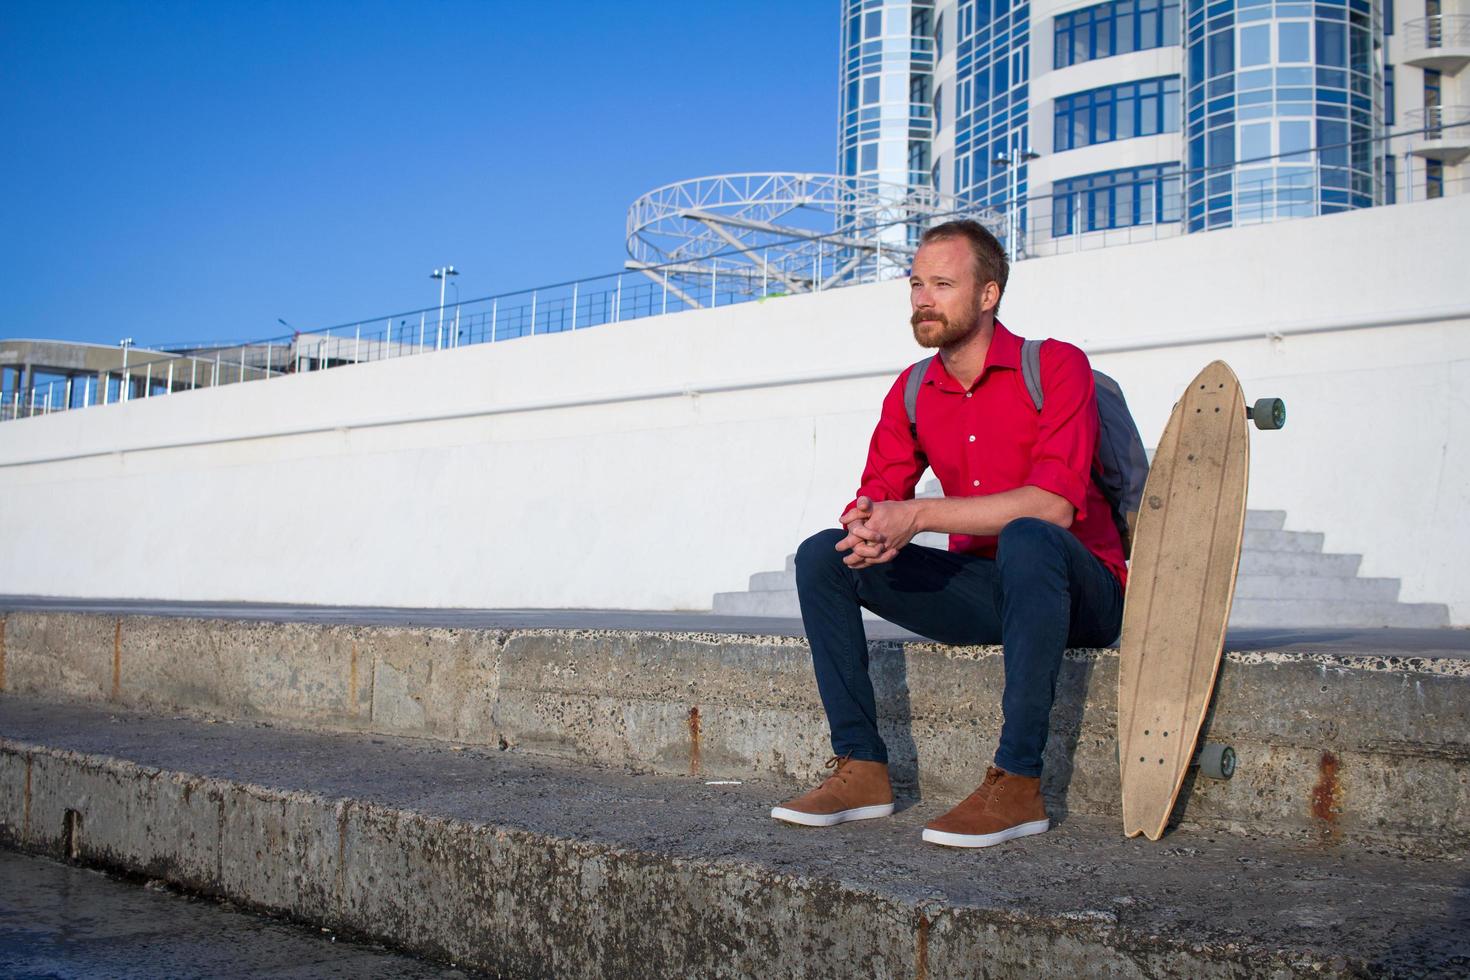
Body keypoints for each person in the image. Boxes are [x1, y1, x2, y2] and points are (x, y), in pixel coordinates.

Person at [770, 219, 1128, 849]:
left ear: (988, 295)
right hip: (988, 592)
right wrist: (869, 526)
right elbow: (877, 491)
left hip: (1080, 593)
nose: (922, 299)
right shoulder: (913, 390)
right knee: (823, 556)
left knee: (1026, 536)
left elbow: (1053, 508)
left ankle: (1018, 783)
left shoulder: (1056, 365)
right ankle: (862, 768)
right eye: (915, 284)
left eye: (941, 284)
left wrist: (919, 516)